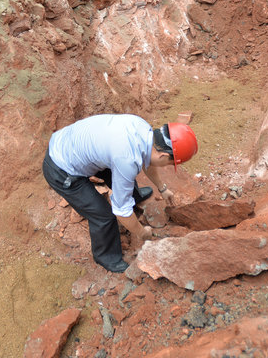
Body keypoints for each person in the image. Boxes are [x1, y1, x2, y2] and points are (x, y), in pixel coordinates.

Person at [43, 115, 198, 272]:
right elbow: (121, 212)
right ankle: (106, 257)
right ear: (164, 155)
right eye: (171, 163)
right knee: (104, 216)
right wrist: (142, 233)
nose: (168, 166)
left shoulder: (143, 129)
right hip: (61, 168)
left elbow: (148, 159)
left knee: (123, 175)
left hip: (72, 144)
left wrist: (162, 188)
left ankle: (133, 197)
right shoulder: (127, 158)